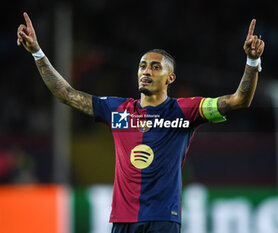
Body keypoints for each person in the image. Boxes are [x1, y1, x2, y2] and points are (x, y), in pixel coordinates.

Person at [17, 12, 264, 233]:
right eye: (143, 66)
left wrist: (252, 62)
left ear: (170, 78)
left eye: (155, 67)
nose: (146, 71)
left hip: (162, 220)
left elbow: (239, 100)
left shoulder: (185, 111)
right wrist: (38, 53)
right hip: (123, 220)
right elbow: (67, 94)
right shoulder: (118, 110)